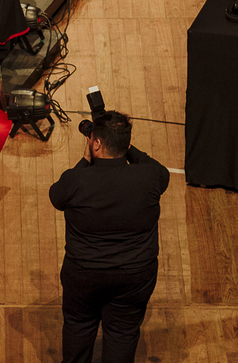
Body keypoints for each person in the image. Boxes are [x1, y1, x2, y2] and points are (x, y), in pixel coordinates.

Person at [49, 110, 170, 363]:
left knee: (79, 325)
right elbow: (156, 168)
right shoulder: (150, 177)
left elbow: (56, 197)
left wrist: (85, 160)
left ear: (95, 143)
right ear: (126, 145)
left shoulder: (76, 180)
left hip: (84, 275)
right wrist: (124, 145)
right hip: (134, 276)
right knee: (123, 332)